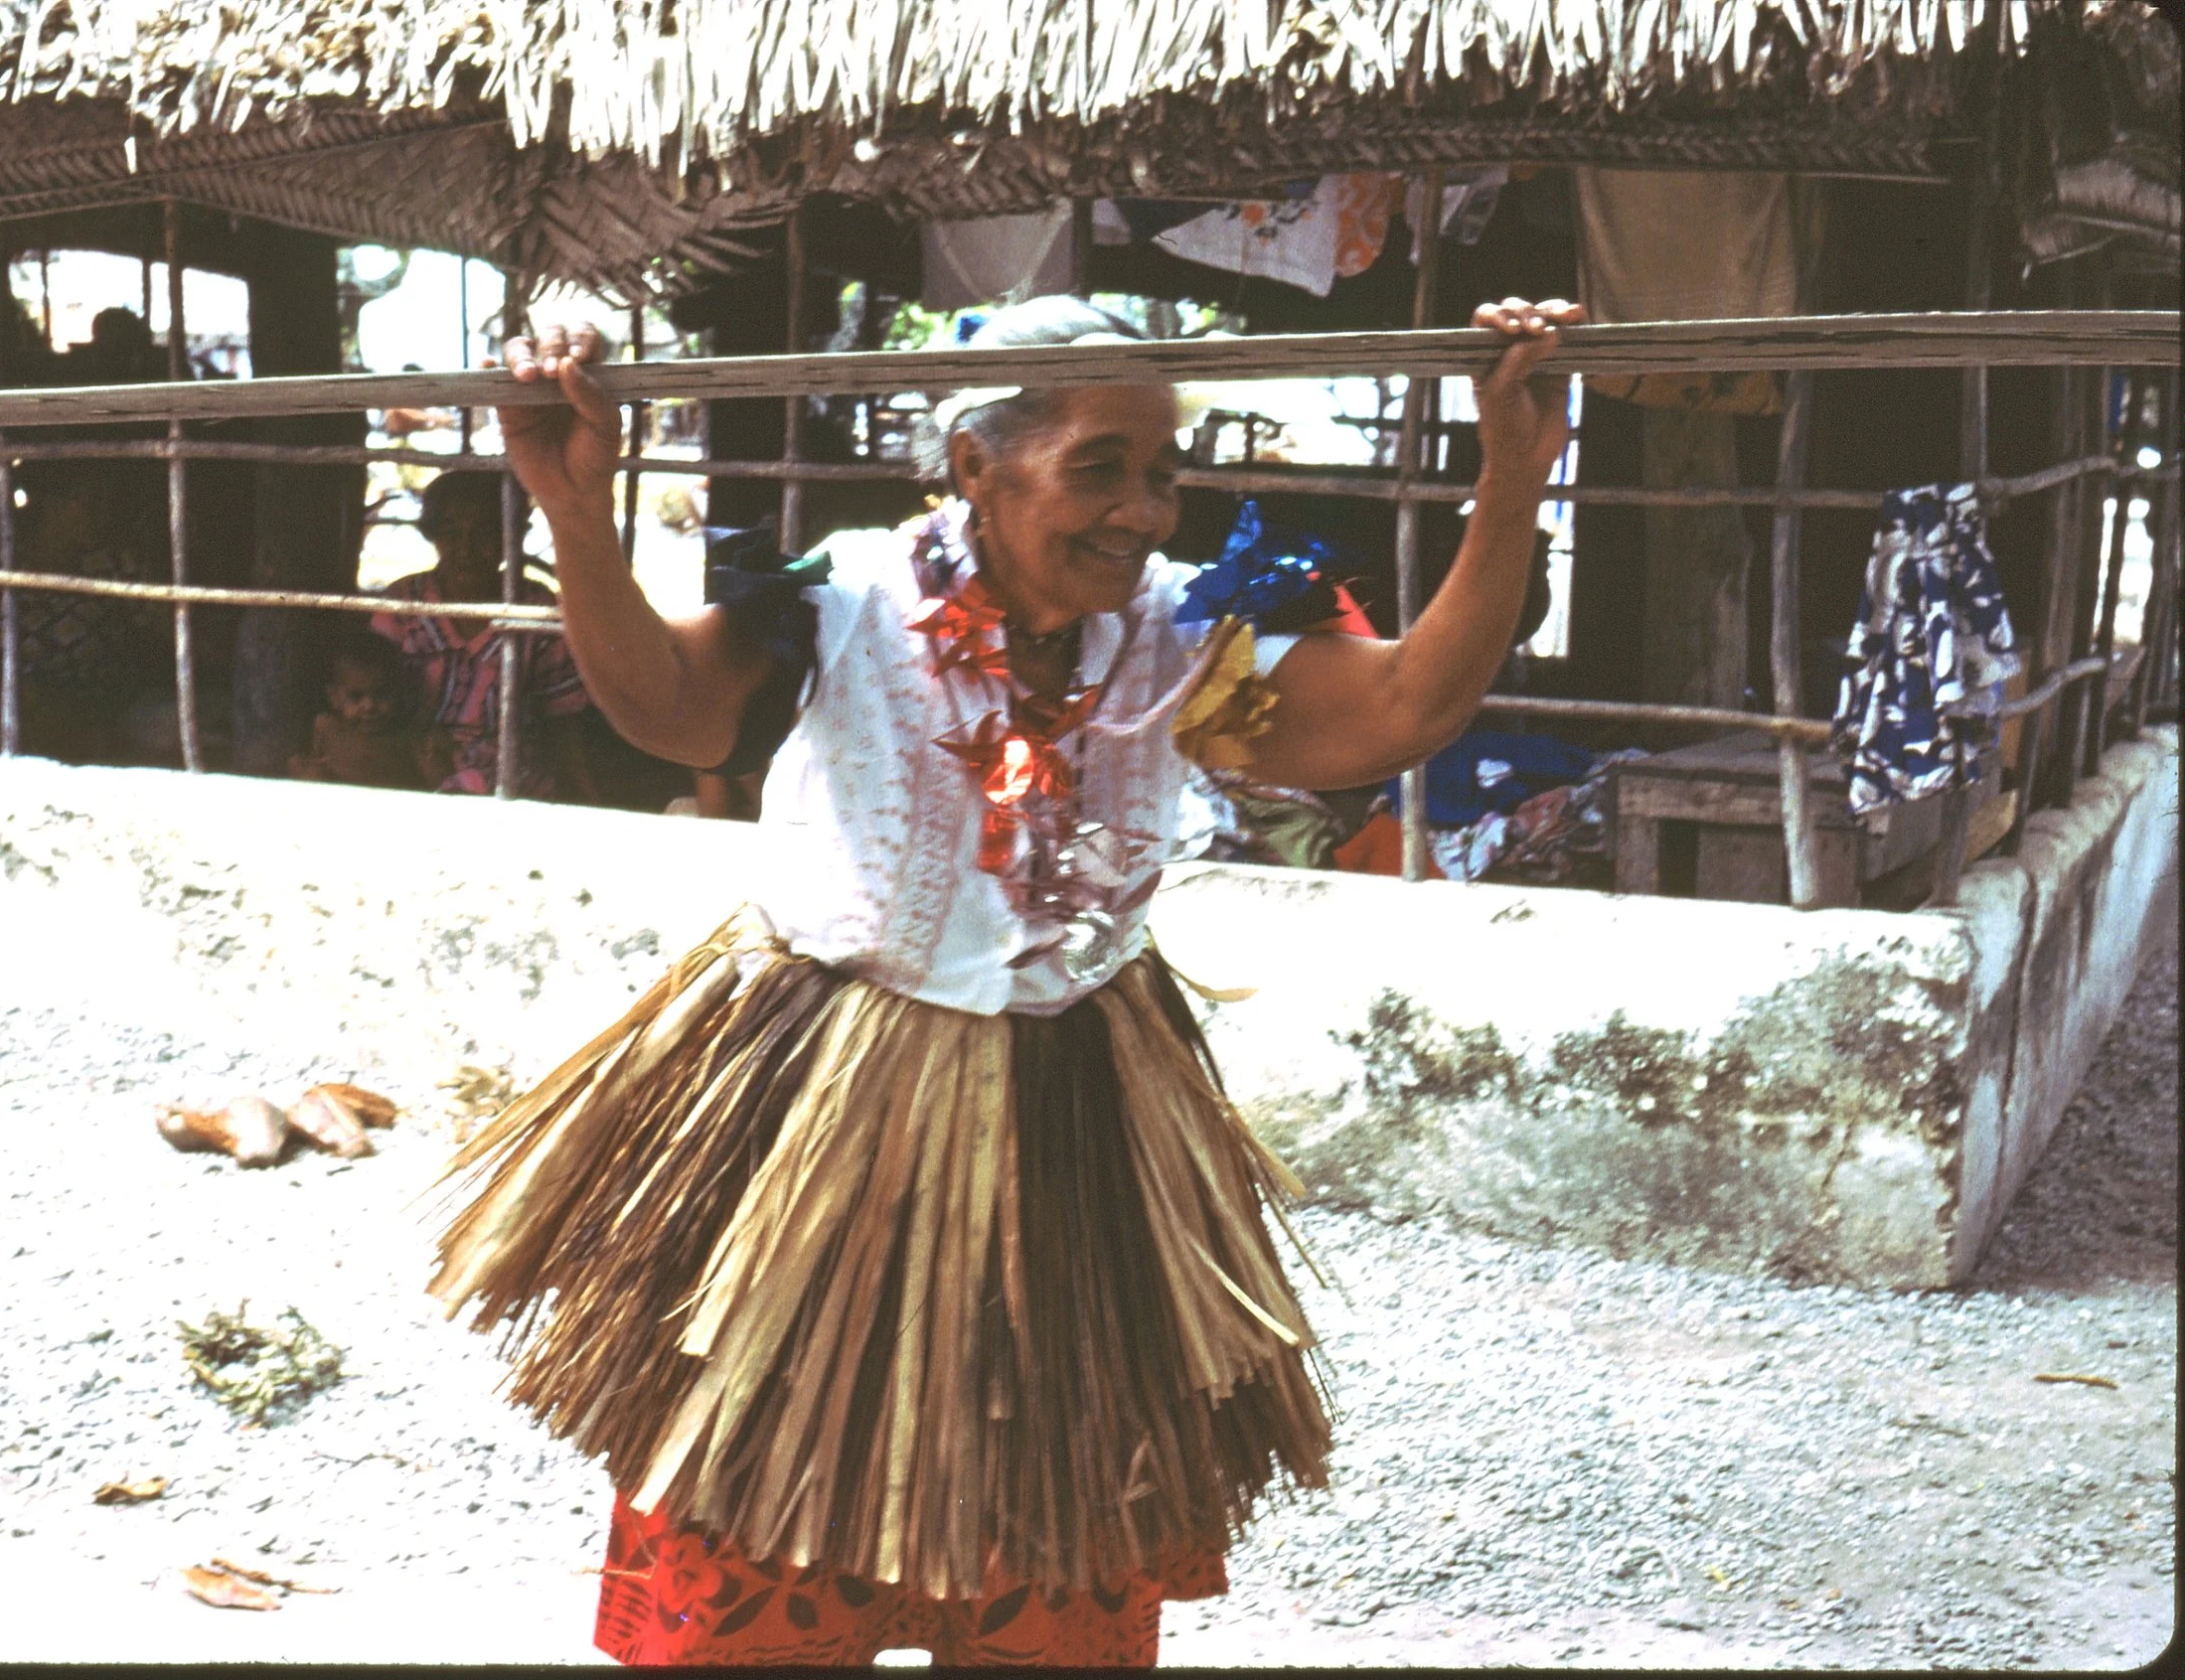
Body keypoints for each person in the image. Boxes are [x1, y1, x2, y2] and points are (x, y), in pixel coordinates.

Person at [427, 293, 1583, 1667]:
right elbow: (673, 712)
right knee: (771, 1567)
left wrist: (1512, 474)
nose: (1145, 511)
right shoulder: (845, 598)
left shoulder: (1179, 637)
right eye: (1099, 466)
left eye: (1161, 474)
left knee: (1051, 1571)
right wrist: (574, 513)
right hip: (818, 1123)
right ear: (977, 465)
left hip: (1079, 1128)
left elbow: (1402, 712)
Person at [370, 472, 592, 800]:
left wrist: (585, 796)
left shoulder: (534, 606)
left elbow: (561, 718)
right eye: (451, 533)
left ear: (511, 536)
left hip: (504, 771)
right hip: (412, 759)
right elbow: (365, 692)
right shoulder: (403, 602)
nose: (467, 548)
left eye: (486, 533)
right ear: (433, 535)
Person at [287, 635, 455, 792]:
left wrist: (433, 754)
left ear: (397, 692)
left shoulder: (406, 736)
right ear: (335, 698)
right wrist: (303, 767)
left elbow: (439, 783)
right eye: (356, 697)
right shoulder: (326, 726)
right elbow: (308, 761)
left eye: (381, 694)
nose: (369, 706)